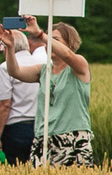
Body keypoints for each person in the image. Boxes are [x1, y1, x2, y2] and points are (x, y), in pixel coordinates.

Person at [33, 24, 93, 165]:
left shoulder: (79, 65)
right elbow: (15, 71)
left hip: (73, 138)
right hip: (45, 137)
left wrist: (40, 34)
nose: (49, 43)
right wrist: (10, 46)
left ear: (69, 43)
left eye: (54, 40)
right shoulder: (44, 70)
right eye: (47, 40)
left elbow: (67, 55)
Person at [0, 20, 46, 165]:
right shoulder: (42, 65)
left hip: (17, 129)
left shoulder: (5, 67)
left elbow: (5, 104)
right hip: (41, 126)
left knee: (16, 171)